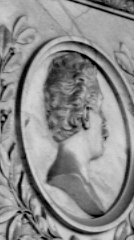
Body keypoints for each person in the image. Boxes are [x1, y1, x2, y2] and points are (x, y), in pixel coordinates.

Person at [43, 51, 110, 218]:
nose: (105, 123)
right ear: (86, 116)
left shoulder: (82, 182)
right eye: (99, 111)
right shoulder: (68, 180)